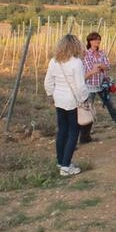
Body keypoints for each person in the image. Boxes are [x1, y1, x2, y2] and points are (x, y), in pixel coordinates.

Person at [44, 34, 90, 176]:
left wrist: (51, 94)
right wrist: (84, 99)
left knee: (62, 130)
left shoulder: (54, 61)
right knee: (73, 132)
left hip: (59, 99)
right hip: (73, 101)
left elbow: (48, 81)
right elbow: (80, 86)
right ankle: (66, 165)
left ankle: (60, 161)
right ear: (76, 46)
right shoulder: (76, 63)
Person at [81, 32, 116, 141]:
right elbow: (92, 68)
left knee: (109, 102)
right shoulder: (86, 54)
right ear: (90, 41)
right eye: (95, 40)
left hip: (101, 83)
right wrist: (100, 66)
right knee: (88, 107)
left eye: (99, 40)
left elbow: (108, 66)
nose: (97, 42)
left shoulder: (102, 53)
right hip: (90, 84)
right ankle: (87, 130)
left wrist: (101, 66)